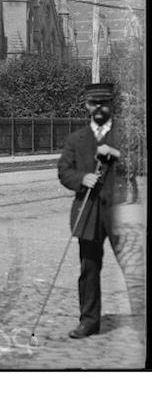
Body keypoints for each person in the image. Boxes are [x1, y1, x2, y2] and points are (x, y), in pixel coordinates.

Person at [57, 81, 125, 339]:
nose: (99, 108)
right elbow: (64, 171)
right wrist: (81, 179)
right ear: (87, 107)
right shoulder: (76, 139)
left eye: (104, 103)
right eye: (94, 104)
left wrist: (116, 153)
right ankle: (89, 321)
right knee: (89, 269)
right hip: (89, 213)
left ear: (111, 106)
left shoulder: (125, 135)